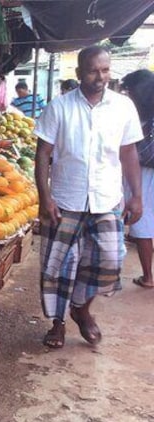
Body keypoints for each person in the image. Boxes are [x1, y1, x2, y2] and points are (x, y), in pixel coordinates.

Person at [34, 46, 143, 349]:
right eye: (93, 70)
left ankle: (81, 309)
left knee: (110, 259)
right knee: (58, 265)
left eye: (105, 70)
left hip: (106, 198)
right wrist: (45, 197)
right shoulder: (59, 107)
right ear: (80, 73)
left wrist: (137, 196)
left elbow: (128, 152)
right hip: (67, 198)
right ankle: (58, 324)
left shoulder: (123, 107)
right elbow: (43, 154)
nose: (100, 76)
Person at [121, 70, 154, 288]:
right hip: (145, 171)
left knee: (141, 221)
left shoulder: (141, 116)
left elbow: (132, 151)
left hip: (142, 173)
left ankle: (148, 277)